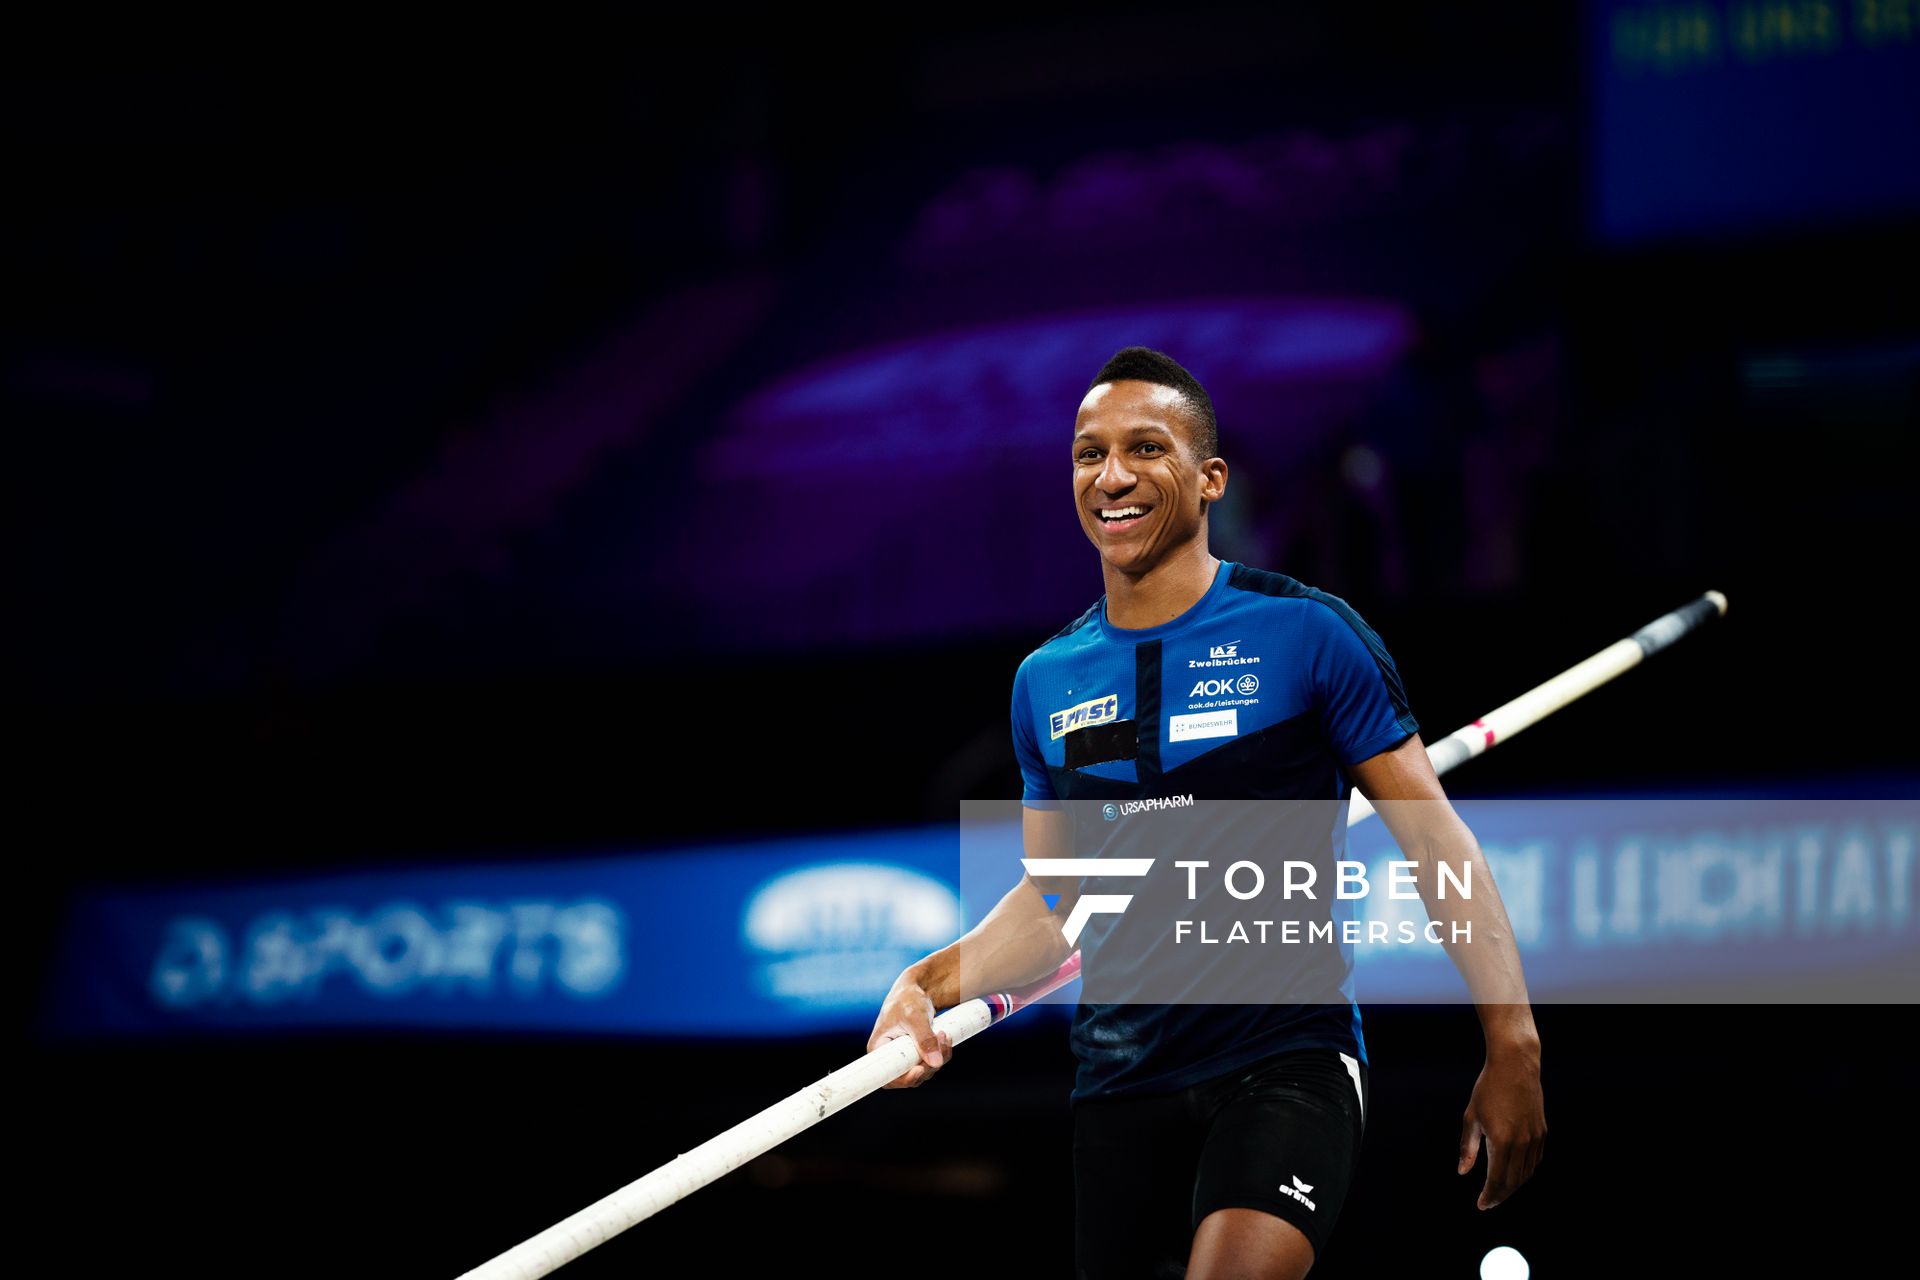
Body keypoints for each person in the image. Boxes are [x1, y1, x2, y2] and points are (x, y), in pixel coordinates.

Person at [867, 347, 1545, 1279]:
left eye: (1146, 448)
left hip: (1286, 1064)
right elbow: (1060, 903)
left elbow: (1436, 843)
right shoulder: (1045, 682)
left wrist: (1513, 1042)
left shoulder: (1308, 633)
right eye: (1087, 453)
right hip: (1119, 1087)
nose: (1112, 476)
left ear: (1210, 478)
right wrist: (926, 984)